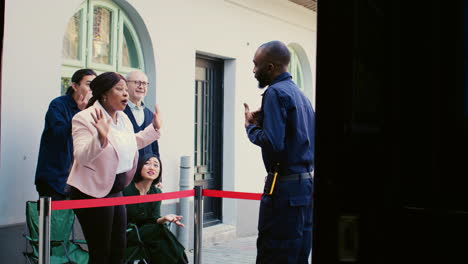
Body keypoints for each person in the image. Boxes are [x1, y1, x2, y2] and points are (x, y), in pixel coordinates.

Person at [66, 72, 162, 264]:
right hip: (91, 192)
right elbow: (81, 156)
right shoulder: (84, 118)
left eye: (126, 89)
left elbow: (131, 142)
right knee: (101, 252)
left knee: (119, 249)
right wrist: (99, 138)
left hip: (115, 190)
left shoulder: (122, 118)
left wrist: (154, 129)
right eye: (120, 89)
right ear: (103, 94)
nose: (126, 94)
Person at [243, 40, 315, 264]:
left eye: (256, 64)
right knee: (298, 254)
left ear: (271, 67)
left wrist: (251, 127)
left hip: (283, 189)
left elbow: (274, 143)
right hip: (305, 189)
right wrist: (264, 119)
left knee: (274, 253)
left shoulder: (274, 93)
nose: (254, 70)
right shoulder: (301, 96)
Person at [34, 68, 97, 200]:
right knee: (53, 219)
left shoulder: (93, 109)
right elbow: (58, 134)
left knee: (72, 220)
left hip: (80, 180)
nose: (92, 89)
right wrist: (80, 114)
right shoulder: (58, 105)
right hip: (54, 178)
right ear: (74, 86)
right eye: (88, 84)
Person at [123, 153, 188, 264]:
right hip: (128, 233)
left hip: (148, 234)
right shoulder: (126, 189)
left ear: (159, 171)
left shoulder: (156, 192)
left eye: (156, 165)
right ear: (139, 167)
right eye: (147, 163)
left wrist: (165, 218)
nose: (152, 167)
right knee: (160, 232)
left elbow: (153, 219)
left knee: (160, 240)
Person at [124, 70, 160, 158]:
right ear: (126, 85)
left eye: (144, 83)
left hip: (146, 170)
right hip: (127, 168)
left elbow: (154, 147)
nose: (141, 87)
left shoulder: (151, 115)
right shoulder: (118, 112)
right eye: (137, 82)